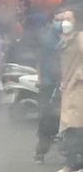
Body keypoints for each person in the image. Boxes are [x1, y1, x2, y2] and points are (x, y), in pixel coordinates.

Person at [50, 8, 83, 172]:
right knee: (77, 129)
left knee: (72, 128)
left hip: (78, 90)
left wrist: (75, 79)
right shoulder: (67, 40)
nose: (65, 22)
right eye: (63, 19)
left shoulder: (80, 38)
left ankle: (69, 167)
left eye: (69, 18)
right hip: (70, 89)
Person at [33, 10, 65, 163]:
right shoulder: (46, 38)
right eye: (58, 19)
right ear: (52, 21)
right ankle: (41, 151)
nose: (62, 22)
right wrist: (39, 77)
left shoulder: (74, 37)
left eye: (64, 19)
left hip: (70, 84)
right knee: (48, 116)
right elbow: (40, 59)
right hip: (48, 81)